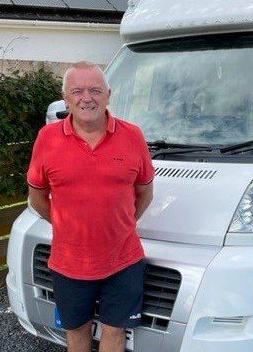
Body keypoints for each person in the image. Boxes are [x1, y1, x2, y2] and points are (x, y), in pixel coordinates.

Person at [26, 61, 154, 352]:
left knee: (114, 332)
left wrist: (122, 225)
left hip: (123, 261)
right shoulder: (47, 139)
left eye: (95, 90)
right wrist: (65, 225)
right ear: (66, 97)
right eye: (78, 91)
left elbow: (145, 192)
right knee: (77, 334)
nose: (87, 98)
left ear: (108, 94)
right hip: (69, 263)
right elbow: (37, 197)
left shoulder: (133, 136)